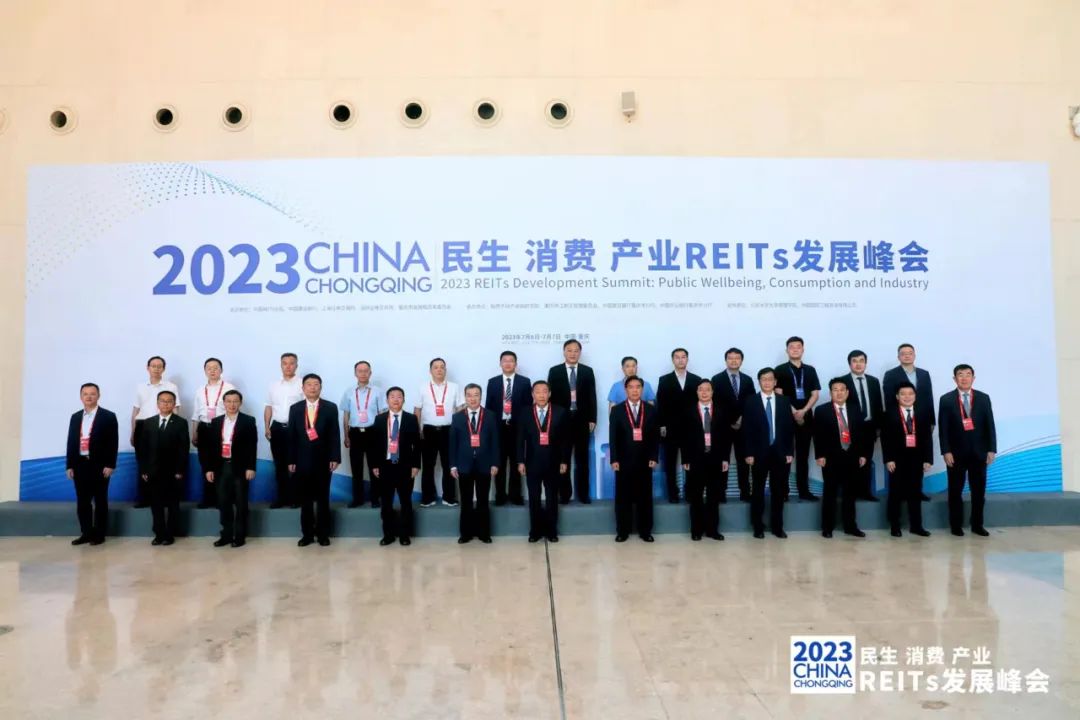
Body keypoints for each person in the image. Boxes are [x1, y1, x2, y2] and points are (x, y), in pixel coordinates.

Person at [938, 365, 997, 537]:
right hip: (955, 454)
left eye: (968, 374)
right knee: (955, 491)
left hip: (979, 452)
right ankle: (956, 525)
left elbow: (990, 425)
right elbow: (943, 428)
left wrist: (991, 449)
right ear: (954, 378)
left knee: (978, 492)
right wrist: (946, 451)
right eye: (960, 375)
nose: (964, 378)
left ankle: (977, 524)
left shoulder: (983, 398)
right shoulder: (946, 399)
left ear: (973, 378)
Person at [287, 373, 341, 547]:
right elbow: (292, 436)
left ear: (321, 387)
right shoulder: (295, 408)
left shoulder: (330, 407)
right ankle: (307, 535)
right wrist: (291, 459)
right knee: (306, 500)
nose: (312, 387)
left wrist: (335, 457)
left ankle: (323, 534)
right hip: (302, 460)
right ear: (303, 388)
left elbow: (335, 434)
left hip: (324, 460)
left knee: (323, 499)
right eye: (309, 384)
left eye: (316, 384)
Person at [742, 368, 795, 539]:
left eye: (770, 379)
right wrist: (748, 453)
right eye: (763, 379)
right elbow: (747, 429)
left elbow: (789, 429)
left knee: (778, 491)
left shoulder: (784, 401)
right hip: (758, 453)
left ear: (775, 382)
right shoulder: (751, 401)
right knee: (757, 491)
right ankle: (757, 526)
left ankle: (777, 527)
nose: (767, 382)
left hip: (780, 452)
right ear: (759, 382)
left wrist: (789, 451)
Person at [813, 379, 869, 538]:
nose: (839, 393)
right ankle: (827, 527)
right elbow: (817, 435)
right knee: (830, 493)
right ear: (831, 393)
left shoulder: (855, 409)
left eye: (842, 389)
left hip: (852, 456)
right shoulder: (822, 410)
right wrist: (820, 455)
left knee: (850, 494)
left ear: (847, 392)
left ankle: (850, 526)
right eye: (835, 390)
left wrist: (863, 454)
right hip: (831, 457)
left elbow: (861, 434)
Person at [609, 376, 661, 542]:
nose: (634, 390)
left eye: (638, 387)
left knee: (645, 497)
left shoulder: (651, 409)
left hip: (645, 460)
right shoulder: (617, 410)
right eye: (631, 387)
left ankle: (645, 531)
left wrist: (654, 456)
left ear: (642, 389)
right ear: (626, 390)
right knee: (622, 497)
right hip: (623, 461)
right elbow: (613, 437)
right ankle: (622, 531)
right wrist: (614, 459)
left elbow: (655, 436)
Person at [65, 383, 118, 546]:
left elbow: (113, 443)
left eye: (92, 394)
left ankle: (99, 534)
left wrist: (110, 464)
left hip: (100, 466)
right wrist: (69, 465)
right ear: (81, 396)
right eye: (85, 394)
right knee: (82, 502)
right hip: (80, 465)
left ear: (98, 396)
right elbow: (71, 442)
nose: (89, 397)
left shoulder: (108, 416)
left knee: (100, 501)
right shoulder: (75, 417)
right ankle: (86, 533)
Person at [133, 390, 189, 546]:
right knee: (156, 504)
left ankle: (170, 534)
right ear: (157, 403)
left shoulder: (180, 422)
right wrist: (144, 470)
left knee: (172, 504)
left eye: (169, 401)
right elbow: (142, 449)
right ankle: (159, 534)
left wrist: (180, 470)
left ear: (174, 404)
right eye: (163, 401)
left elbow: (183, 448)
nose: (166, 404)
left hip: (173, 472)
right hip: (153, 471)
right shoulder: (148, 422)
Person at [204, 389, 257, 548]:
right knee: (223, 502)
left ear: (240, 403)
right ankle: (226, 535)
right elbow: (211, 448)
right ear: (224, 403)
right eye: (229, 401)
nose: (232, 404)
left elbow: (252, 446)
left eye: (235, 401)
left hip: (240, 467)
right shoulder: (216, 421)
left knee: (241, 503)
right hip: (221, 467)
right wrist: (209, 469)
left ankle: (239, 536)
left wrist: (251, 467)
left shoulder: (248, 421)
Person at [518, 381, 570, 542]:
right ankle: (535, 532)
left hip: (554, 462)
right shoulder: (525, 412)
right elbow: (519, 439)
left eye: (544, 391)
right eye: (538, 392)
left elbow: (565, 440)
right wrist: (520, 461)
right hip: (532, 463)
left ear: (549, 394)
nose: (541, 395)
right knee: (534, 498)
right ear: (533, 394)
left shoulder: (560, 412)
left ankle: (551, 531)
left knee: (552, 498)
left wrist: (564, 461)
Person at [883, 343, 936, 501]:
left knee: (918, 458)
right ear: (898, 356)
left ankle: (917, 491)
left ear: (914, 355)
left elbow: (929, 397)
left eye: (910, 353)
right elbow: (888, 399)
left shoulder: (924, 374)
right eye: (903, 353)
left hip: (921, 420)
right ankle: (901, 493)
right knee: (900, 461)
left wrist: (931, 420)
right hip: (900, 421)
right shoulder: (891, 374)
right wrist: (893, 418)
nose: (907, 355)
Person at [546, 339, 597, 504]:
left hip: (582, 420)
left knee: (583, 459)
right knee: (563, 458)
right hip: (561, 420)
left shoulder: (587, 371)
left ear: (580, 353)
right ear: (564, 352)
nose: (573, 353)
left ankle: (583, 494)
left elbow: (592, 396)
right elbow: (550, 398)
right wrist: (551, 419)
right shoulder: (555, 371)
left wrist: (592, 418)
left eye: (576, 351)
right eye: (569, 350)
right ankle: (564, 494)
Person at [680, 379, 730, 541]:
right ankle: (696, 530)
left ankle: (712, 530)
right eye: (701, 389)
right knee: (695, 497)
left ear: (712, 392)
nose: (704, 392)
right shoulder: (688, 411)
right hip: (695, 459)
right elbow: (684, 438)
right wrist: (685, 459)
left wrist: (725, 459)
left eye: (707, 389)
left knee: (713, 497)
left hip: (715, 459)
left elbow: (726, 437)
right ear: (697, 392)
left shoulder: (721, 411)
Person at [450, 384, 500, 544]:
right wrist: (453, 465)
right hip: (464, 465)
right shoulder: (457, 417)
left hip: (485, 464)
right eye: (469, 395)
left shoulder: (490, 416)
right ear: (465, 397)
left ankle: (484, 533)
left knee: (483, 500)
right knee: (466, 501)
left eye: (476, 395)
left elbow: (495, 441)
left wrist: (495, 463)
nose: (472, 398)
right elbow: (453, 443)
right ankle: (466, 533)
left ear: (481, 396)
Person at [372, 387, 422, 546]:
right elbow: (375, 445)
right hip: (385, 466)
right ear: (387, 400)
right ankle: (388, 535)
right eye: (392, 397)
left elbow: (417, 444)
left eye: (399, 396)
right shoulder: (379, 419)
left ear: (404, 400)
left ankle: (405, 535)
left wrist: (416, 465)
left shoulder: (411, 419)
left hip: (405, 466)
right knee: (386, 503)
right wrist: (375, 465)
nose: (395, 399)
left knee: (406, 502)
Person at [882, 382, 932, 537]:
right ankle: (894, 526)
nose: (907, 397)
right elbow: (885, 439)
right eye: (903, 394)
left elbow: (927, 438)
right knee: (895, 494)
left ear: (915, 396)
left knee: (915, 493)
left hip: (917, 459)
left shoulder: (923, 413)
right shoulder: (889, 414)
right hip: (896, 460)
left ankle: (916, 526)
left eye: (910, 394)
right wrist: (889, 459)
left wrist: (928, 459)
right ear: (897, 397)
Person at [773, 337, 820, 502]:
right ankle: (783, 491)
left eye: (798, 347)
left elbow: (815, 394)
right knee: (784, 455)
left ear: (803, 350)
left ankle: (804, 491)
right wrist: (794, 411)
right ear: (787, 350)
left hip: (806, 417)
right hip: (785, 417)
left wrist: (804, 411)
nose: (795, 349)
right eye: (791, 347)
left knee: (803, 456)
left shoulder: (810, 370)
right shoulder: (780, 369)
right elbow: (778, 394)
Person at [131, 356, 181, 508]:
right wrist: (133, 431)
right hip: (143, 425)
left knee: (164, 461)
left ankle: (164, 498)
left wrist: (176, 428)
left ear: (163, 369)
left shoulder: (171, 386)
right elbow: (135, 410)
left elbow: (176, 408)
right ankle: (144, 498)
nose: (156, 369)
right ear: (148, 368)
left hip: (162, 425)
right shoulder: (140, 387)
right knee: (143, 462)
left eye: (160, 366)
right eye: (153, 366)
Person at [485, 351, 531, 506]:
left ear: (515, 364)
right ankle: (500, 495)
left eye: (511, 360)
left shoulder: (524, 382)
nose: (508, 363)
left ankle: (515, 494)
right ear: (500, 363)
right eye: (505, 360)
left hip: (517, 427)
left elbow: (527, 407)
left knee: (517, 460)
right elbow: (489, 407)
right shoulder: (493, 382)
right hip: (498, 427)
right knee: (499, 462)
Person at [415, 358, 463, 507]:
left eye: (442, 367)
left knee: (449, 465)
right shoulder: (422, 387)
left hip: (448, 430)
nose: (439, 370)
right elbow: (417, 410)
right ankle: (428, 498)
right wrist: (418, 430)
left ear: (445, 370)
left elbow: (460, 408)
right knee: (428, 466)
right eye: (435, 367)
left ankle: (449, 497)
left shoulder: (454, 387)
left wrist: (459, 430)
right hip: (428, 430)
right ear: (430, 371)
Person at [656, 348, 700, 504]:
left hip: (691, 428)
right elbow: (660, 404)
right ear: (672, 360)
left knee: (691, 461)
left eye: (683, 357)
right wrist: (662, 424)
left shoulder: (696, 379)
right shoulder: (664, 380)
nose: (681, 360)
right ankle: (672, 493)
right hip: (670, 427)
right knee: (670, 462)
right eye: (677, 357)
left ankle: (689, 492)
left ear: (687, 359)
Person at [191, 357, 236, 509]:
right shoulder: (200, 390)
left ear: (221, 370)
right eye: (209, 368)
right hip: (204, 428)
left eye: (215, 368)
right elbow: (196, 414)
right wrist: (194, 432)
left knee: (220, 464)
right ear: (205, 371)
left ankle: (221, 499)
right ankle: (207, 499)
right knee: (205, 463)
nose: (212, 371)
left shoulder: (229, 387)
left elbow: (234, 409)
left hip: (222, 427)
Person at [711, 347, 755, 502]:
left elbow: (752, 402)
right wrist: (729, 421)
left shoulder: (748, 380)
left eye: (737, 358)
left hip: (743, 426)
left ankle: (745, 491)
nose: (734, 361)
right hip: (723, 427)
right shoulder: (716, 379)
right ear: (726, 360)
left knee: (743, 460)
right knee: (722, 460)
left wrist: (742, 419)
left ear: (741, 360)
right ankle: (720, 492)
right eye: (730, 358)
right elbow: (714, 403)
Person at [341, 360, 386, 508]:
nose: (363, 374)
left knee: (375, 467)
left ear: (370, 373)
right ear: (355, 373)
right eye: (360, 371)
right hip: (355, 433)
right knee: (356, 468)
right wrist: (346, 435)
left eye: (366, 371)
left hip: (373, 433)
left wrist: (382, 436)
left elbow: (382, 414)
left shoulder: (378, 391)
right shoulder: (349, 392)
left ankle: (375, 498)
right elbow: (346, 415)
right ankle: (357, 499)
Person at [840, 350, 884, 502]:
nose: (858, 364)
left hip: (869, 427)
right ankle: (850, 493)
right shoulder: (843, 381)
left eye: (861, 361)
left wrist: (878, 427)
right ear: (849, 363)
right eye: (855, 361)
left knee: (866, 460)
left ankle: (865, 492)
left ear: (866, 363)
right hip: (849, 427)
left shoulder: (873, 381)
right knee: (850, 461)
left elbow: (878, 405)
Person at [265, 352, 303, 509]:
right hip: (277, 428)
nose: (288, 366)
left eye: (291, 363)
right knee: (279, 465)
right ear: (281, 365)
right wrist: (267, 426)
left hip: (296, 430)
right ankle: (281, 498)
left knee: (296, 465)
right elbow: (268, 406)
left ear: (296, 365)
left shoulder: (303, 384)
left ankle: (296, 498)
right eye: (285, 363)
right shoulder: (273, 385)